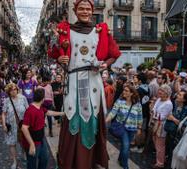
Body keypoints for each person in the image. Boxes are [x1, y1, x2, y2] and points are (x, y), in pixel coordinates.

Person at [47, 0, 121, 168]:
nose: (85, 11)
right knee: (73, 117)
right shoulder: (65, 30)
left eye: (88, 8)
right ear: (75, 10)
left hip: (94, 81)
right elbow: (54, 52)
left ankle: (91, 161)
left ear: (92, 11)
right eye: (81, 8)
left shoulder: (100, 31)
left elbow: (114, 53)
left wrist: (106, 64)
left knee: (92, 120)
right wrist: (59, 58)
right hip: (73, 81)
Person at [21, 88, 64, 169]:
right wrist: (31, 144)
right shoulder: (30, 110)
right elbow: (24, 128)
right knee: (32, 164)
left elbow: (48, 112)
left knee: (44, 159)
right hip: (33, 141)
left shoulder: (40, 107)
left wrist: (62, 113)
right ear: (43, 99)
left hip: (41, 139)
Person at [106, 85, 143, 169]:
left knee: (125, 146)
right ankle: (125, 166)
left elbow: (140, 117)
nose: (124, 92)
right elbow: (112, 113)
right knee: (126, 146)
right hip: (122, 128)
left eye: (126, 91)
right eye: (124, 90)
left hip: (132, 129)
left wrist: (139, 128)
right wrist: (105, 120)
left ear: (131, 93)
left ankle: (120, 159)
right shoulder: (119, 102)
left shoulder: (137, 104)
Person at [2, 83, 28, 169]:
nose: (13, 91)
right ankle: (14, 161)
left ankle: (24, 153)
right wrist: (4, 124)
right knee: (12, 144)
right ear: (8, 92)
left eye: (15, 89)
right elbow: (3, 113)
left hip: (22, 125)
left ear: (17, 89)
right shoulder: (6, 101)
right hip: (11, 125)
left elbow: (28, 110)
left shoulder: (23, 98)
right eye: (11, 90)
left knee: (22, 141)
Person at [165, 90, 187, 160]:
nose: (177, 95)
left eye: (180, 95)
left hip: (177, 136)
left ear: (184, 100)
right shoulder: (176, 105)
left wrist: (173, 118)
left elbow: (183, 124)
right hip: (171, 133)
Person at [150, 85, 173, 168]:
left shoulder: (168, 103)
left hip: (161, 126)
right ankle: (161, 158)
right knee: (155, 142)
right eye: (160, 90)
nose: (159, 92)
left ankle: (160, 163)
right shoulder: (159, 99)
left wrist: (154, 114)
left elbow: (162, 117)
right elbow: (154, 109)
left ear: (167, 93)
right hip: (154, 123)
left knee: (160, 145)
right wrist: (154, 113)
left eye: (162, 91)